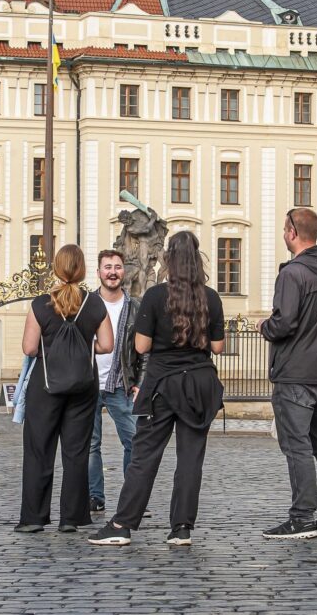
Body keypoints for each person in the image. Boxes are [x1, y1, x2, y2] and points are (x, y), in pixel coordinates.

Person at [89, 231, 225, 548]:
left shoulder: (155, 296)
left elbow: (141, 345)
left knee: (144, 456)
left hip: (163, 383)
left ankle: (122, 524)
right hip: (199, 384)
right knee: (190, 459)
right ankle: (181, 528)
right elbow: (218, 347)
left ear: (168, 260)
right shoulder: (211, 297)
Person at [258, 208, 317, 540]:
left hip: (294, 374)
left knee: (297, 448)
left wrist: (264, 326)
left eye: (285, 229)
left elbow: (284, 324)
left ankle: (302, 518)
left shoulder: (293, 274)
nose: (284, 234)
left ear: (293, 232)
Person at [16, 244, 114, 533]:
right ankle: (71, 518)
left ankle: (33, 518)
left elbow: (29, 348)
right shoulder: (95, 304)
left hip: (46, 384)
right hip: (83, 385)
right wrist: (82, 347)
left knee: (39, 451)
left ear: (56, 269)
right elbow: (107, 345)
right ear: (83, 269)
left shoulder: (41, 304)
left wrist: (54, 349)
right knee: (76, 452)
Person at [88, 250, 147, 514]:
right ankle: (94, 497)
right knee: (91, 446)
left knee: (134, 441)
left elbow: (145, 350)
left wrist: (141, 381)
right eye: (108, 267)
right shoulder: (87, 304)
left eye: (117, 267)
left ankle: (132, 499)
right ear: (99, 272)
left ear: (124, 271)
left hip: (122, 384)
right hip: (88, 384)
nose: (113, 272)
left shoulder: (136, 307)